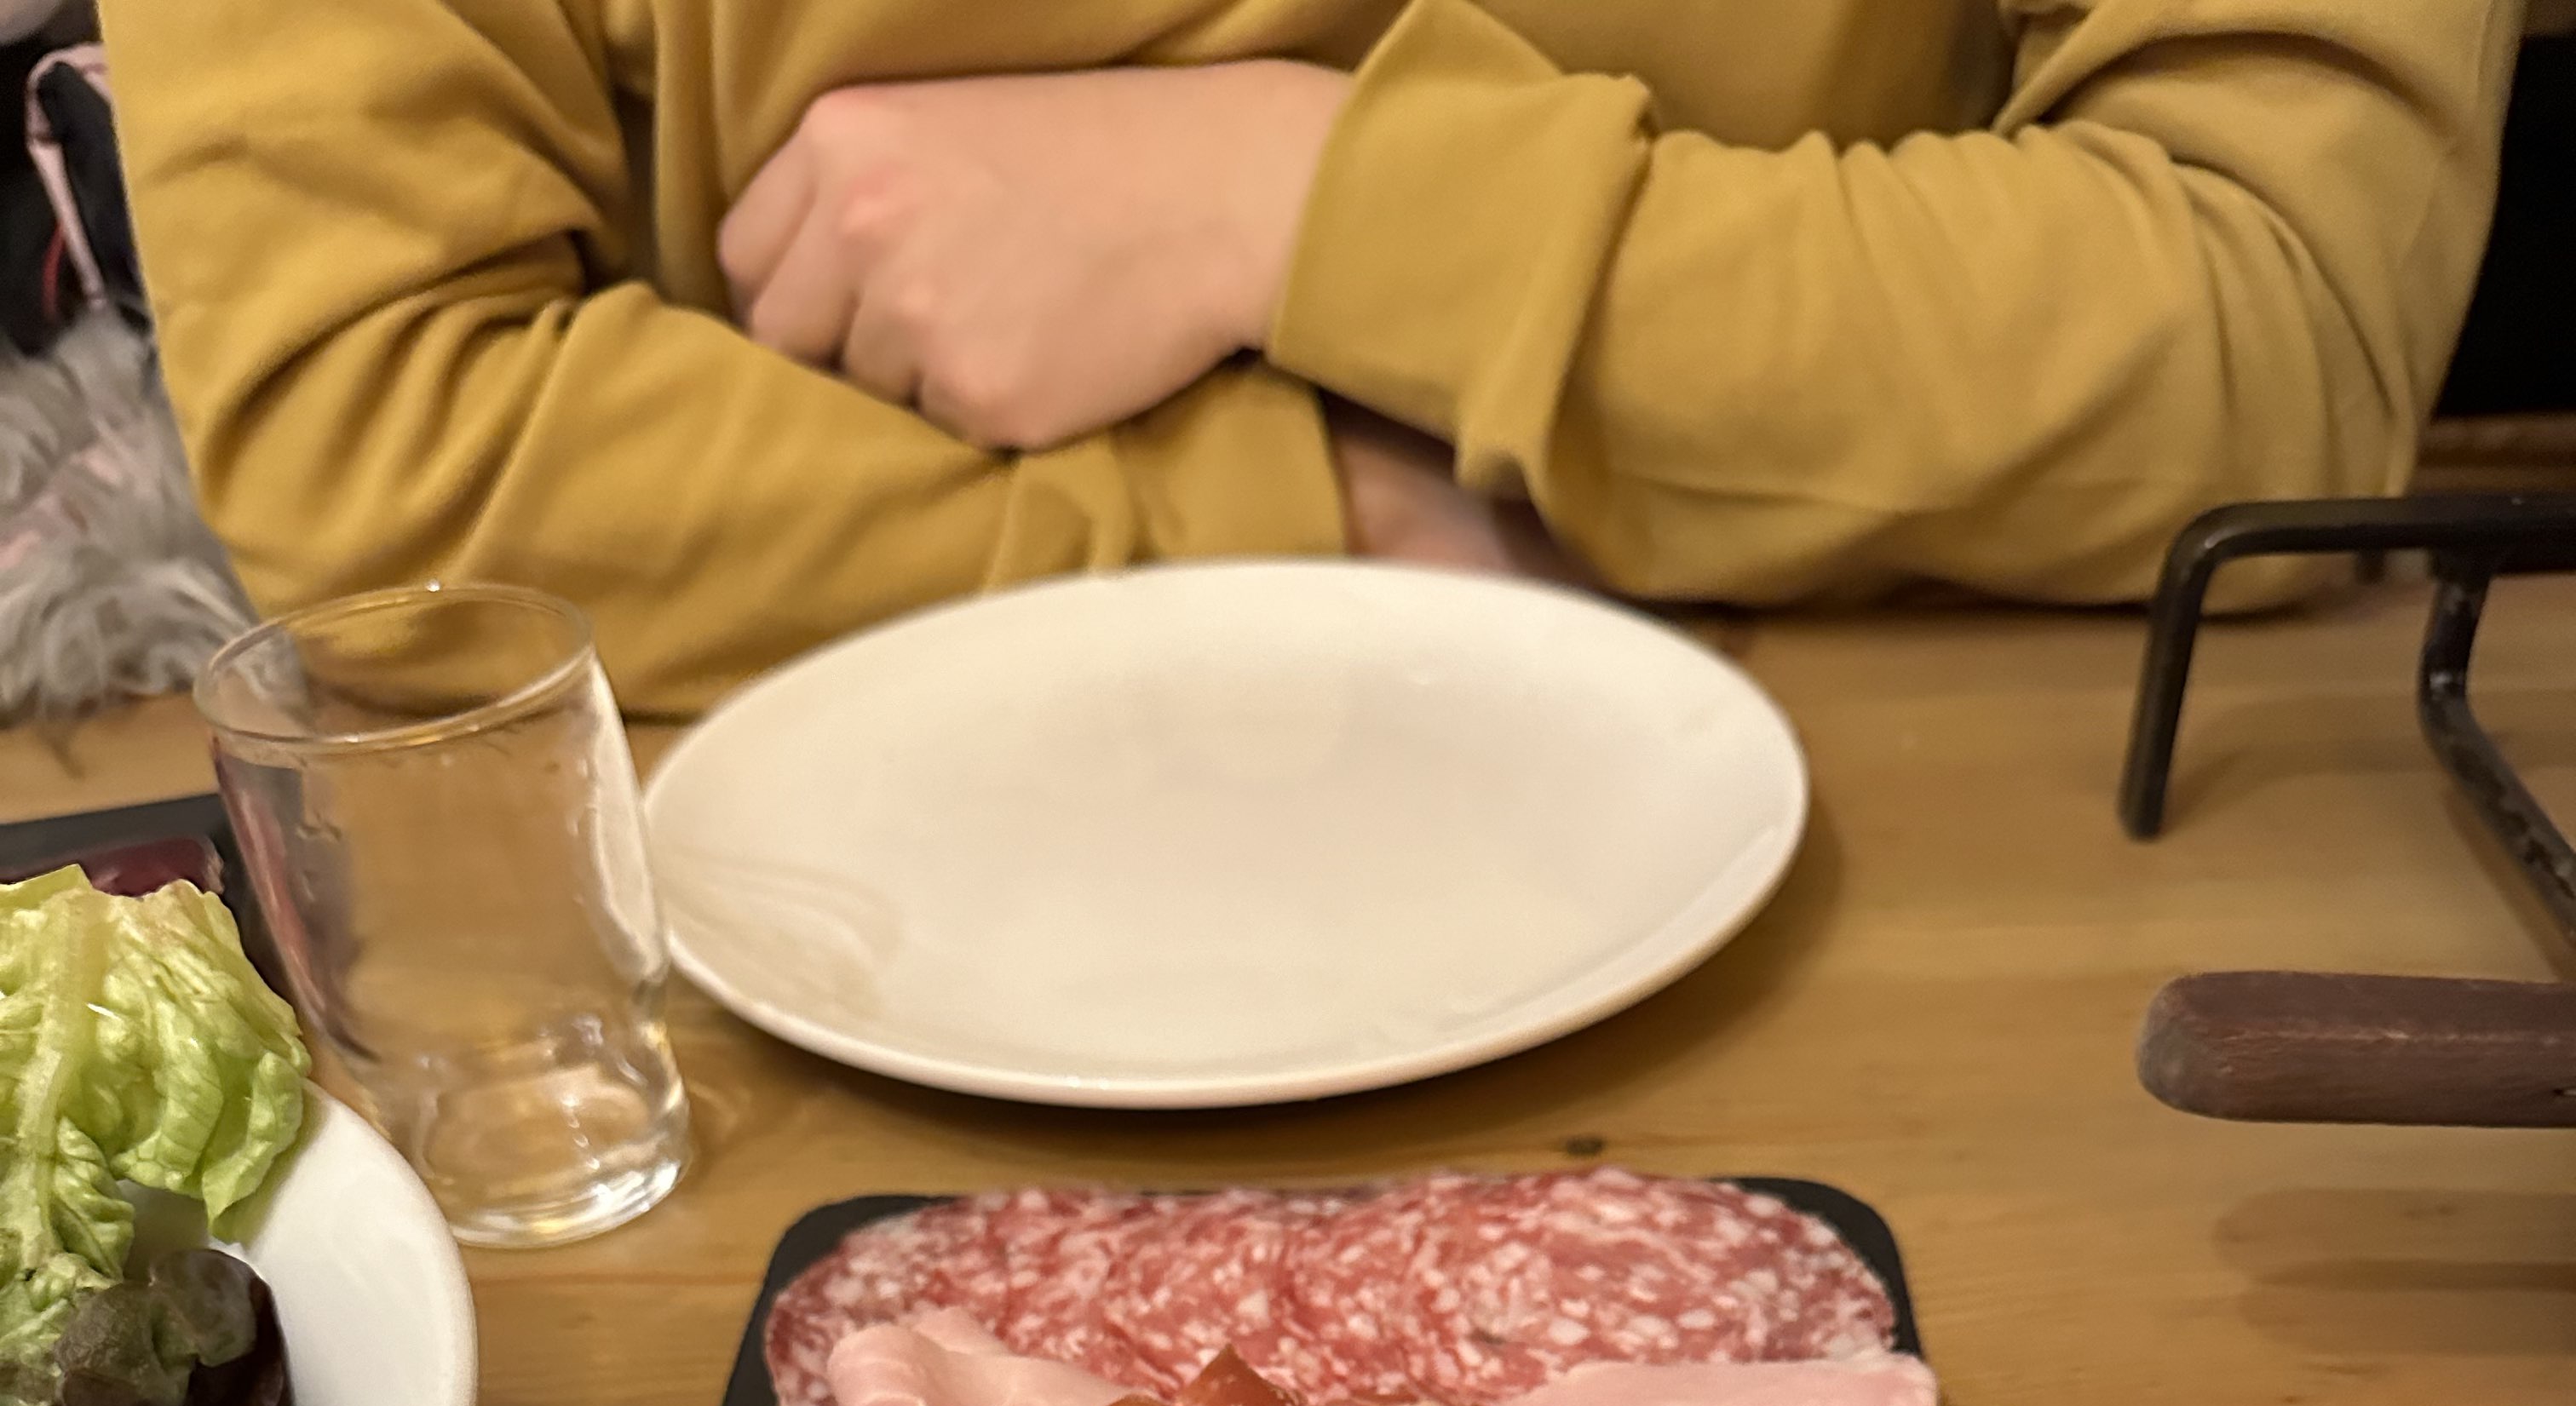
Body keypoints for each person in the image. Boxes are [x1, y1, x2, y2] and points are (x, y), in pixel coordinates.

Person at [100, 1, 2516, 714]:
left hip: (1931, 806)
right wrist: (1310, 514)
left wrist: (1287, 203)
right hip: (833, 889)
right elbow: (385, 439)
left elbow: (2273, 324)